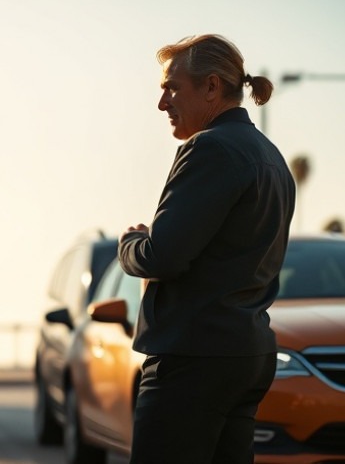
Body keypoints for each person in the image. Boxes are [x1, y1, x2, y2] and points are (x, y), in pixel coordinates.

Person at [118, 34, 295, 464]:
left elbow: (163, 256)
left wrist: (130, 244)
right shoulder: (271, 157)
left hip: (193, 359)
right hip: (246, 355)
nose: (162, 103)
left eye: (172, 88)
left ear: (212, 87)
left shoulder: (209, 147)